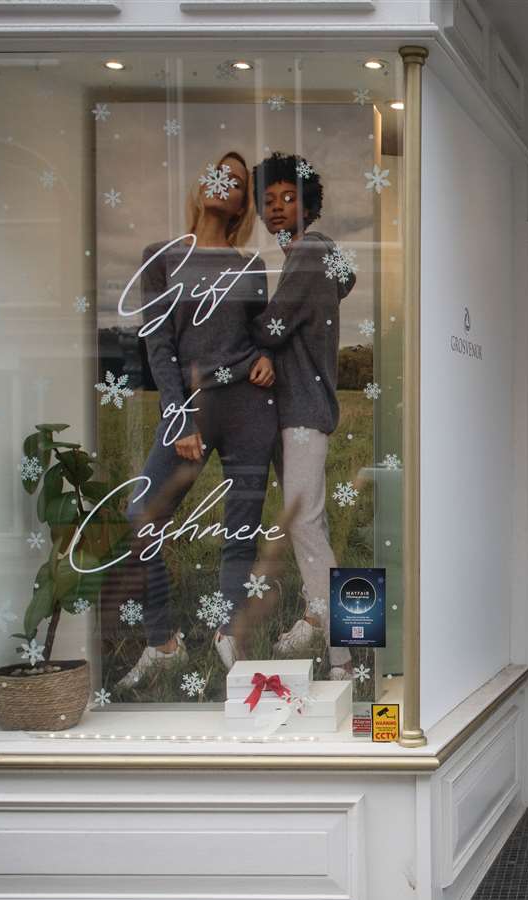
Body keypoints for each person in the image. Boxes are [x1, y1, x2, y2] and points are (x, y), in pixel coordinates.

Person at [117, 152, 278, 690]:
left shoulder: (249, 265)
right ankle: (163, 644)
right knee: (142, 513)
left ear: (240, 204)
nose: (224, 184)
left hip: (249, 410)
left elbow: (263, 334)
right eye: (217, 173)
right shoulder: (161, 257)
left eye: (236, 182)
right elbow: (157, 344)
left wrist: (268, 357)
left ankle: (227, 632)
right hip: (192, 407)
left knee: (240, 529)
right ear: (199, 185)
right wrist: (179, 412)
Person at [248, 152, 357, 678]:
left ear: (308, 204)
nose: (276, 210)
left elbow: (271, 325)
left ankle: (341, 651)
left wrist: (244, 333)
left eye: (288, 199)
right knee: (307, 522)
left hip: (302, 410)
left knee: (307, 525)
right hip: (298, 408)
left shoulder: (309, 252)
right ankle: (320, 617)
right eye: (268, 201)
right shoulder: (315, 256)